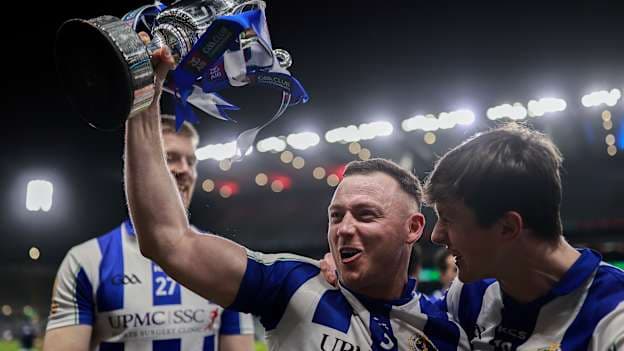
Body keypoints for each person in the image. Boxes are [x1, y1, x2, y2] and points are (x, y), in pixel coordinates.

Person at [124, 42, 469, 351]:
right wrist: (145, 92)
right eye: (336, 215)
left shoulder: (451, 327)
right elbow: (167, 240)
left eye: (365, 215)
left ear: (413, 228)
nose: (344, 228)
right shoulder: (293, 285)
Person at [43, 116, 254, 351]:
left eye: (191, 161)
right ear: (138, 167)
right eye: (170, 158)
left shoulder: (224, 260)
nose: (185, 170)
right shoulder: (85, 261)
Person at [423, 123, 624, 350]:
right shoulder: (469, 292)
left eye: (448, 218)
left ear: (508, 227)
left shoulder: (615, 313)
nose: (436, 236)